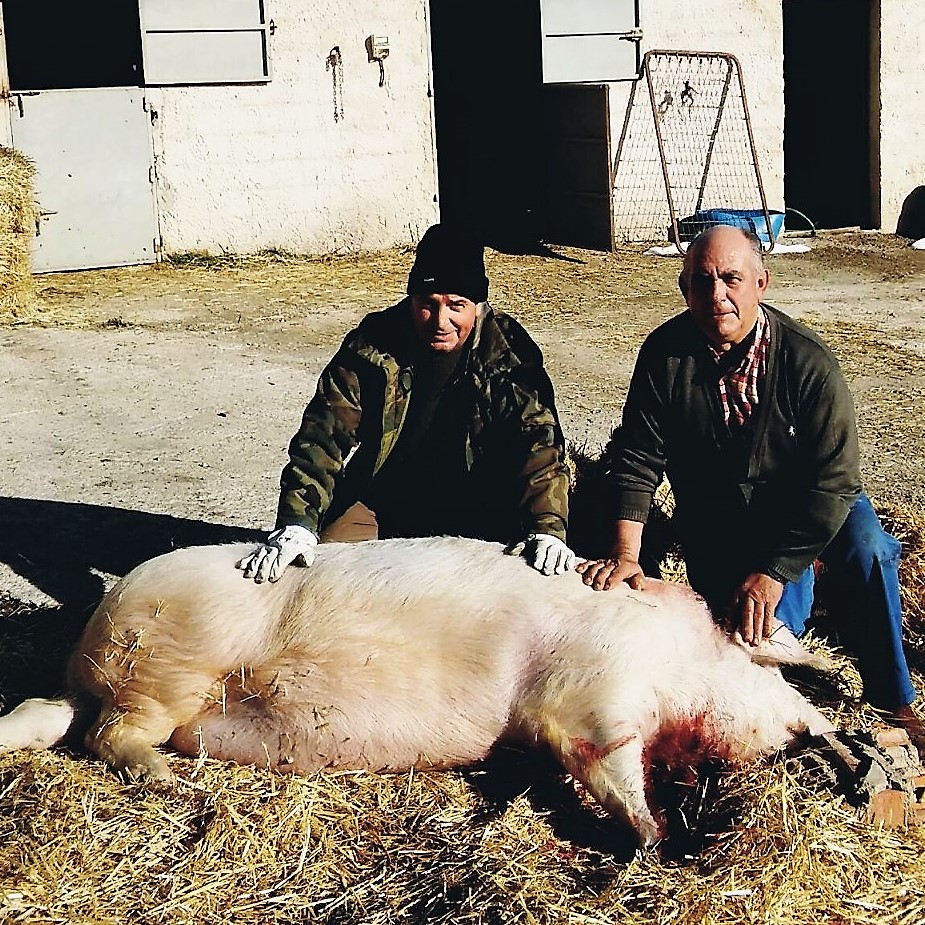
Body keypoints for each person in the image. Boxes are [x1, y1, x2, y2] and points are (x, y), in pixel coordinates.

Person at [577, 223, 925, 752]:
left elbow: (834, 482)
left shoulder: (808, 362)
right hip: (723, 517)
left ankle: (894, 698)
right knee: (749, 646)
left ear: (761, 283)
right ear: (684, 288)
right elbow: (637, 457)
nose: (717, 296)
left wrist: (778, 569)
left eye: (731, 279)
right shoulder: (665, 356)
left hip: (812, 502)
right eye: (702, 281)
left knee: (870, 550)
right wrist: (627, 555)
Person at [238, 222, 575, 583]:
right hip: (385, 499)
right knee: (322, 571)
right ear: (411, 300)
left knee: (502, 588)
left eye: (456, 306)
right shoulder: (372, 346)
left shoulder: (509, 354)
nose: (441, 321)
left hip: (480, 507)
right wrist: (297, 524)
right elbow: (323, 436)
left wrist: (548, 530)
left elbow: (541, 448)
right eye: (428, 305)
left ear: (477, 307)